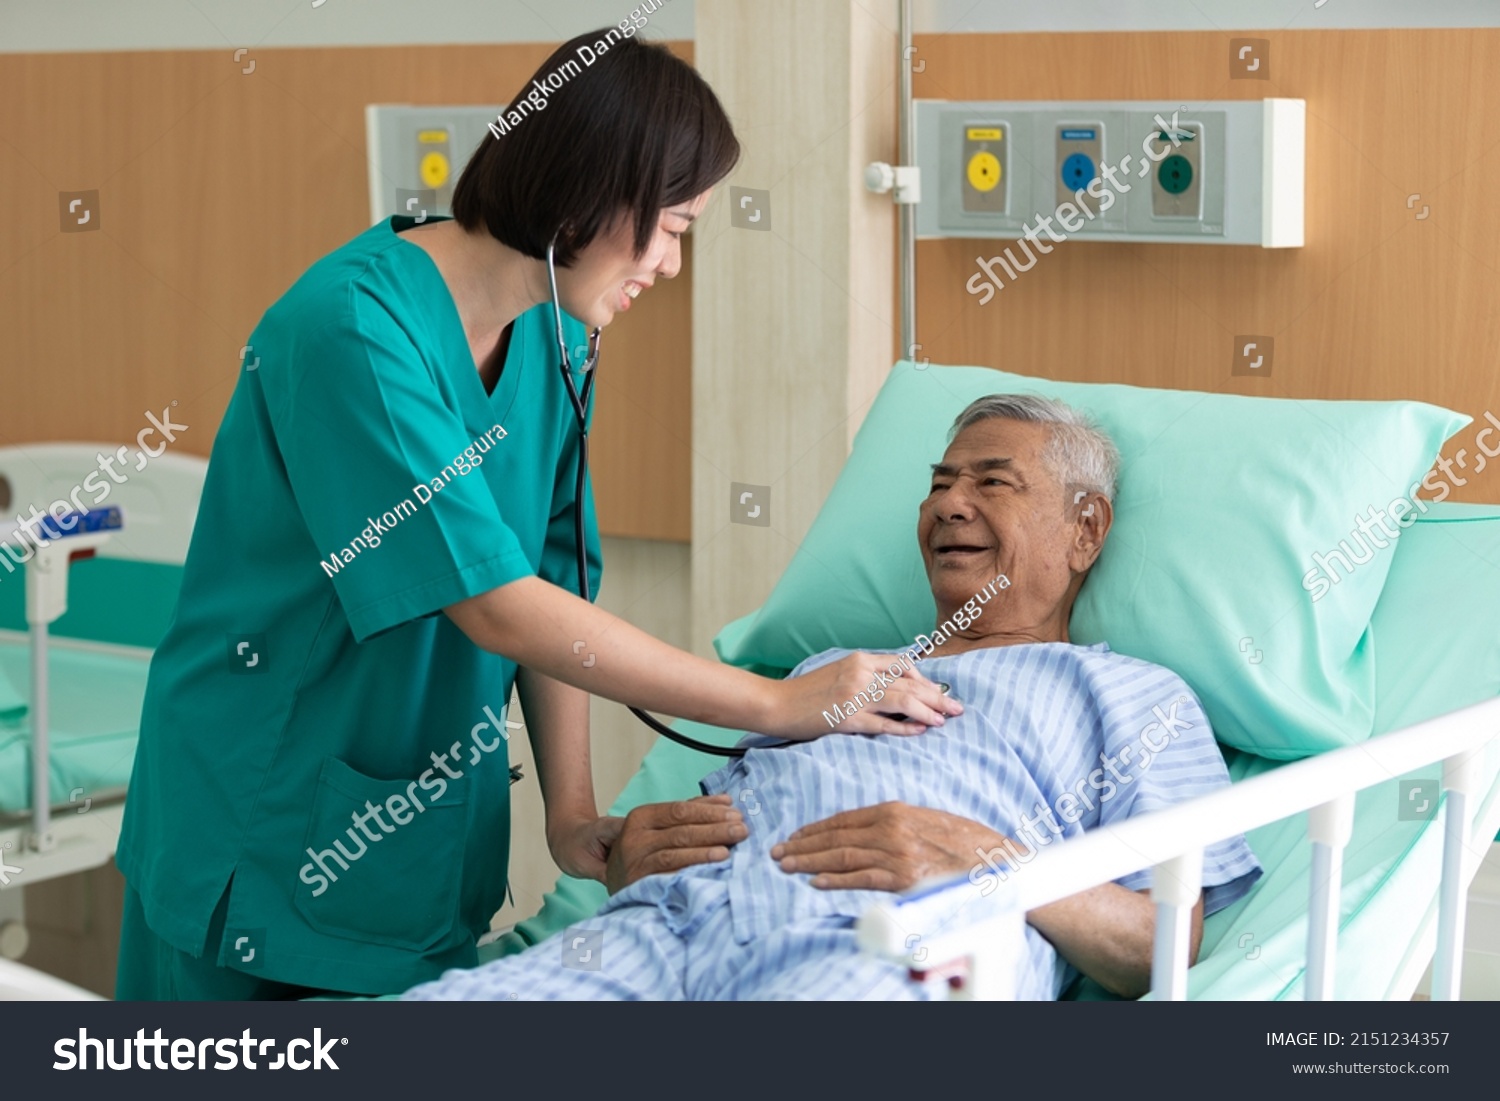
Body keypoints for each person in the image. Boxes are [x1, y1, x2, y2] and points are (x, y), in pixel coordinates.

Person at [114, 30, 958, 1001]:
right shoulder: (354, 330)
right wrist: (775, 703)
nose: (675, 265)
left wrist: (574, 819)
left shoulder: (555, 336)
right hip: (261, 828)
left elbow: (551, 580)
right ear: (598, 192)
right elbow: (497, 607)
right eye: (675, 226)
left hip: (407, 848)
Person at [402, 395, 1263, 1001]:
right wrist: (637, 849)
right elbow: (716, 809)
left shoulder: (1133, 696)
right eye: (939, 482)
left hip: (893, 945)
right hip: (667, 929)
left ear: (1086, 530)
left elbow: (1163, 944)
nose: (948, 503)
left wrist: (987, 858)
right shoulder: (831, 667)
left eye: (993, 482)